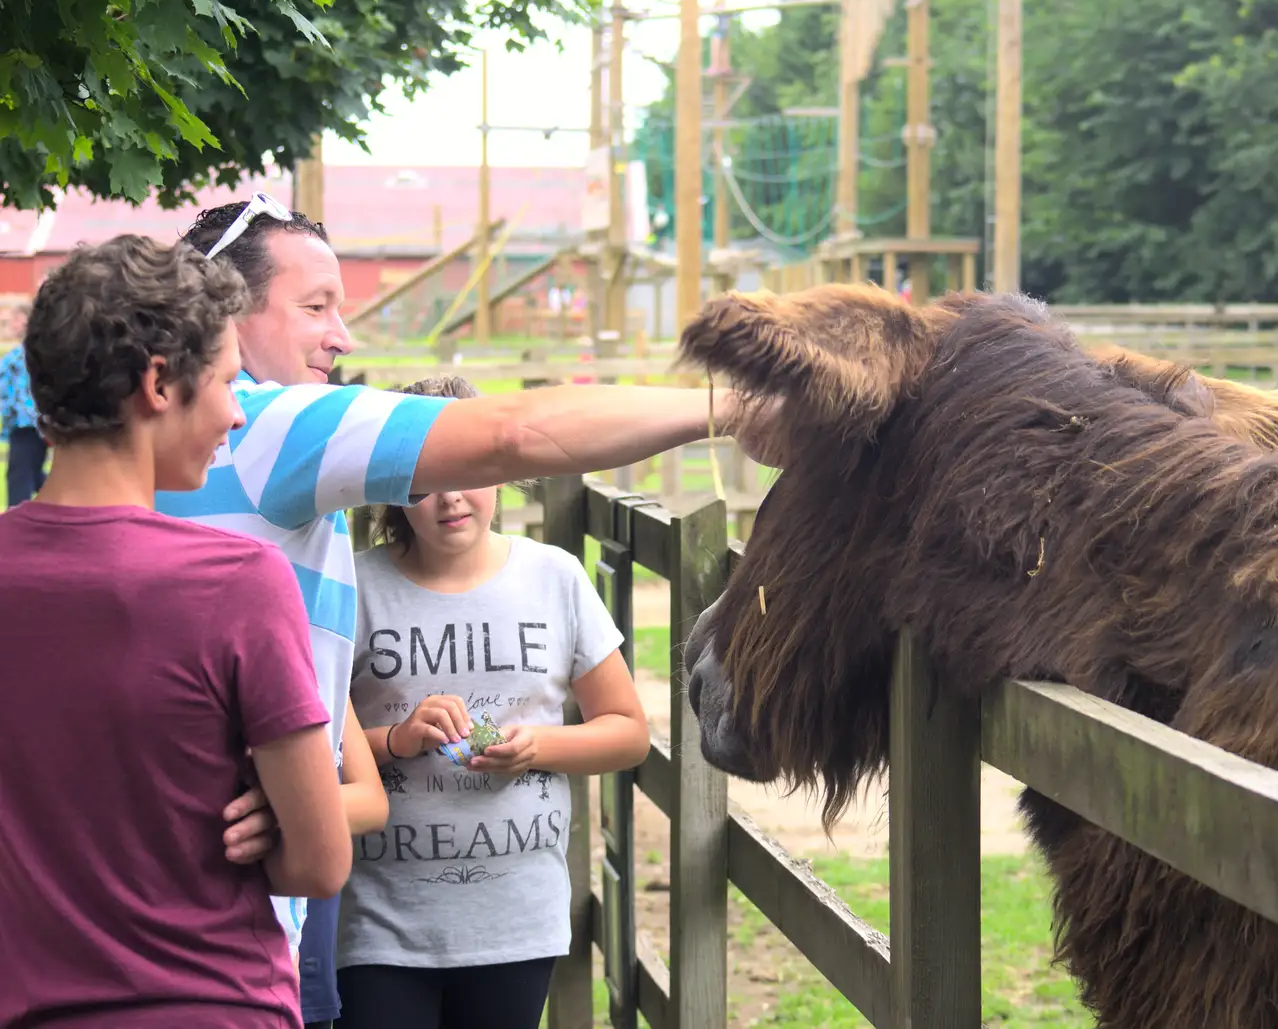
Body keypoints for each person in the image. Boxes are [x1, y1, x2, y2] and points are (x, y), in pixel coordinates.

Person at [153, 191, 775, 1024]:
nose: (341, 335)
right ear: (228, 312)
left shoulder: (164, 445)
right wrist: (735, 409)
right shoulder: (267, 428)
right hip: (246, 901)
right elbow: (511, 432)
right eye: (315, 307)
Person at [0, 235, 352, 1027]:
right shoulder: (238, 582)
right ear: (160, 382)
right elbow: (321, 860)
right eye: (229, 381)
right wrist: (276, 815)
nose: (235, 410)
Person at [332, 375, 648, 1029]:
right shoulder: (355, 586)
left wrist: (538, 746)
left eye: (469, 470)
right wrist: (398, 737)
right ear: (394, 486)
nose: (450, 497)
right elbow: (307, 744)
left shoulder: (554, 577)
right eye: (426, 477)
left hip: (515, 923)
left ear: (500, 470)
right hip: (380, 926)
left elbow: (627, 731)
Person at [1, 337, 49, 504]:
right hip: (38, 423)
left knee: (20, 476)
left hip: (27, 423)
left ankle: (13, 523)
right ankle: (72, 500)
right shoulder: (29, 355)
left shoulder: (21, 356)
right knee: (31, 473)